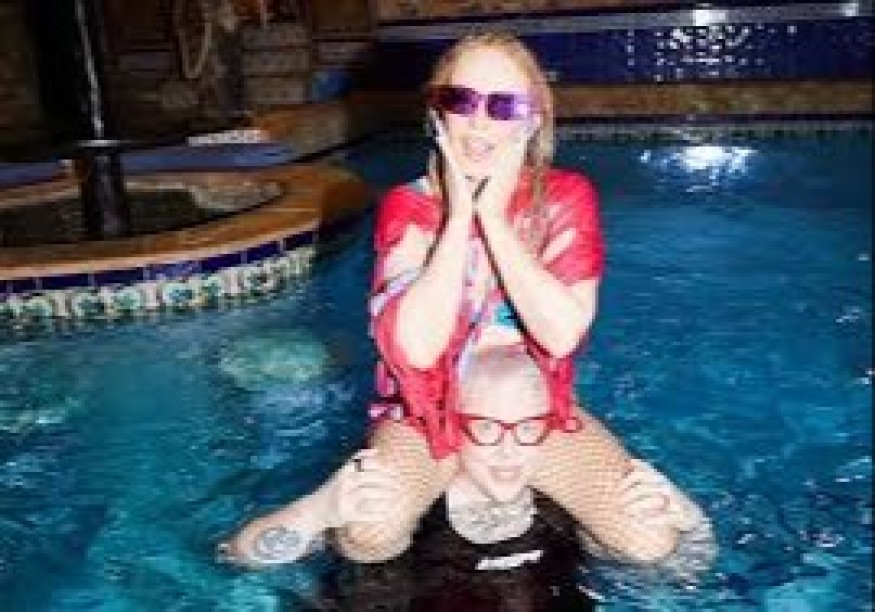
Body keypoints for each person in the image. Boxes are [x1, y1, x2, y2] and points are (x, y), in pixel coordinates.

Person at [225, 30, 714, 567]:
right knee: (369, 534)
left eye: (504, 106)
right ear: (437, 112)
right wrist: (459, 217)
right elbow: (415, 350)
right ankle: (327, 506)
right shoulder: (408, 206)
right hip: (423, 417)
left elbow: (560, 333)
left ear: (533, 120)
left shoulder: (564, 197)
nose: (480, 122)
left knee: (649, 540)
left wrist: (493, 218)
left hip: (531, 421)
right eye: (461, 100)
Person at [220, 348, 713, 581]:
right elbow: (235, 558)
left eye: (527, 428)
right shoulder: (394, 499)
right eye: (486, 428)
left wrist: (687, 516)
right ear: (453, 428)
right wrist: (318, 511)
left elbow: (683, 574)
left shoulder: (567, 506)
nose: (508, 451)